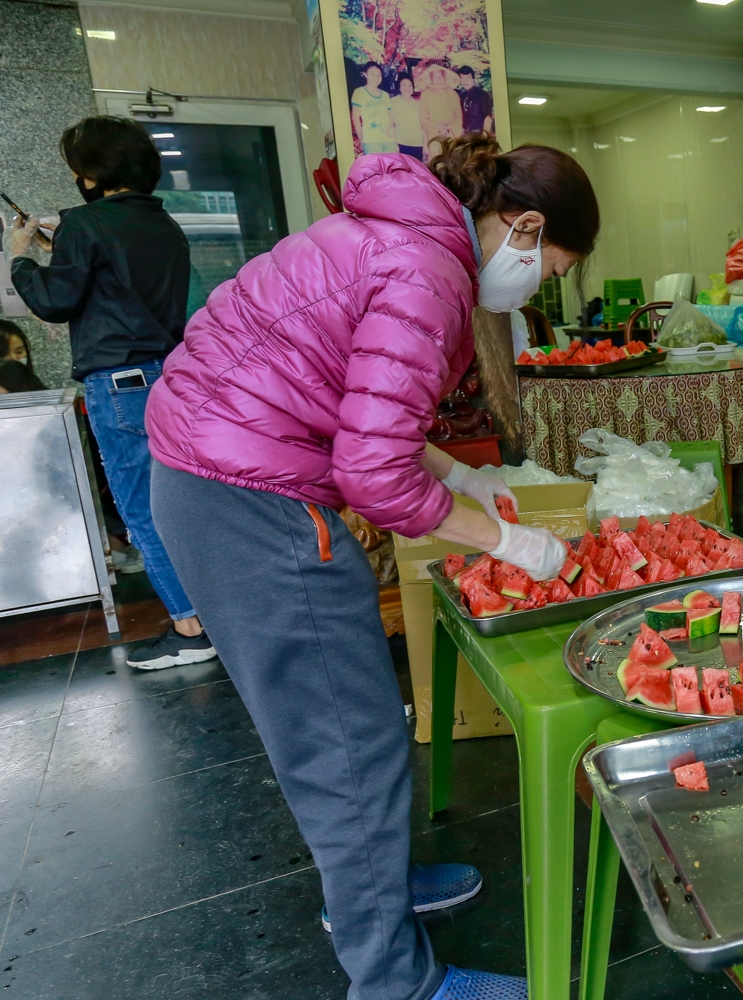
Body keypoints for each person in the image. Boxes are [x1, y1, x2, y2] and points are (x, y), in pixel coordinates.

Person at [146, 139, 599, 998]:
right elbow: (371, 475)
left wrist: (458, 473)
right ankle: (396, 981)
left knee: (346, 725)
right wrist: (505, 541)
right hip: (248, 498)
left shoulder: (400, 231)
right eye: (551, 267)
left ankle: (373, 893)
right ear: (526, 227)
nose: (536, 285)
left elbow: (354, 401)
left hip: (214, 472)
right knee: (344, 743)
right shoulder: (429, 269)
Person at [7, 115, 214, 670]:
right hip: (171, 379)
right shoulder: (163, 224)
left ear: (94, 174)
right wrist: (70, 241)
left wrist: (21, 256)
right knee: (184, 505)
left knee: (143, 512)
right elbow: (116, 283)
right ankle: (213, 612)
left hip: (121, 386)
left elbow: (54, 300)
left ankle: (191, 627)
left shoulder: (86, 225)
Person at [416, 61, 464, 160]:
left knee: (451, 162)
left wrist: (448, 127)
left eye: (440, 76)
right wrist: (438, 127)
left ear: (444, 77)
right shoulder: (425, 95)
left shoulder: (453, 94)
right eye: (435, 77)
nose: (438, 79)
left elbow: (459, 116)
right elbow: (423, 119)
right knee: (436, 163)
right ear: (431, 79)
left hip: (451, 135)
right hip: (433, 136)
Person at [351, 62, 398, 154]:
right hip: (371, 140)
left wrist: (395, 141)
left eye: (379, 75)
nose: (376, 78)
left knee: (390, 167)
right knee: (375, 167)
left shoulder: (385, 95)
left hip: (389, 140)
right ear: (365, 74)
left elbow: (391, 117)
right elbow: (356, 118)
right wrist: (362, 140)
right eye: (372, 74)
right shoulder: (359, 92)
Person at [391, 74, 425, 159]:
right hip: (401, 143)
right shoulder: (393, 102)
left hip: (417, 144)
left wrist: (425, 144)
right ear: (399, 87)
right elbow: (391, 125)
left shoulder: (418, 104)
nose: (407, 88)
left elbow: (423, 126)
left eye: (409, 85)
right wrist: (394, 144)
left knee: (416, 170)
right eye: (404, 85)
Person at [456, 66, 494, 136]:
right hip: (466, 135)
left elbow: (488, 117)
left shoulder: (482, 95)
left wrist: (484, 137)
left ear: (473, 78)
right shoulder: (461, 97)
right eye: (462, 78)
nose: (465, 81)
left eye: (467, 78)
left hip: (479, 134)